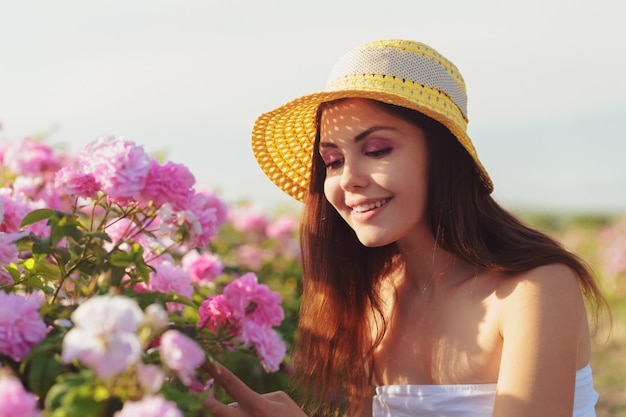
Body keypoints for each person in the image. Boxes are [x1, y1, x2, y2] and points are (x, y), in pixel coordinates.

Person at [203, 39, 608, 417]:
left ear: (443, 156)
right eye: (333, 161)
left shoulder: (532, 290)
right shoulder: (375, 295)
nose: (348, 179)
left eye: (377, 150)